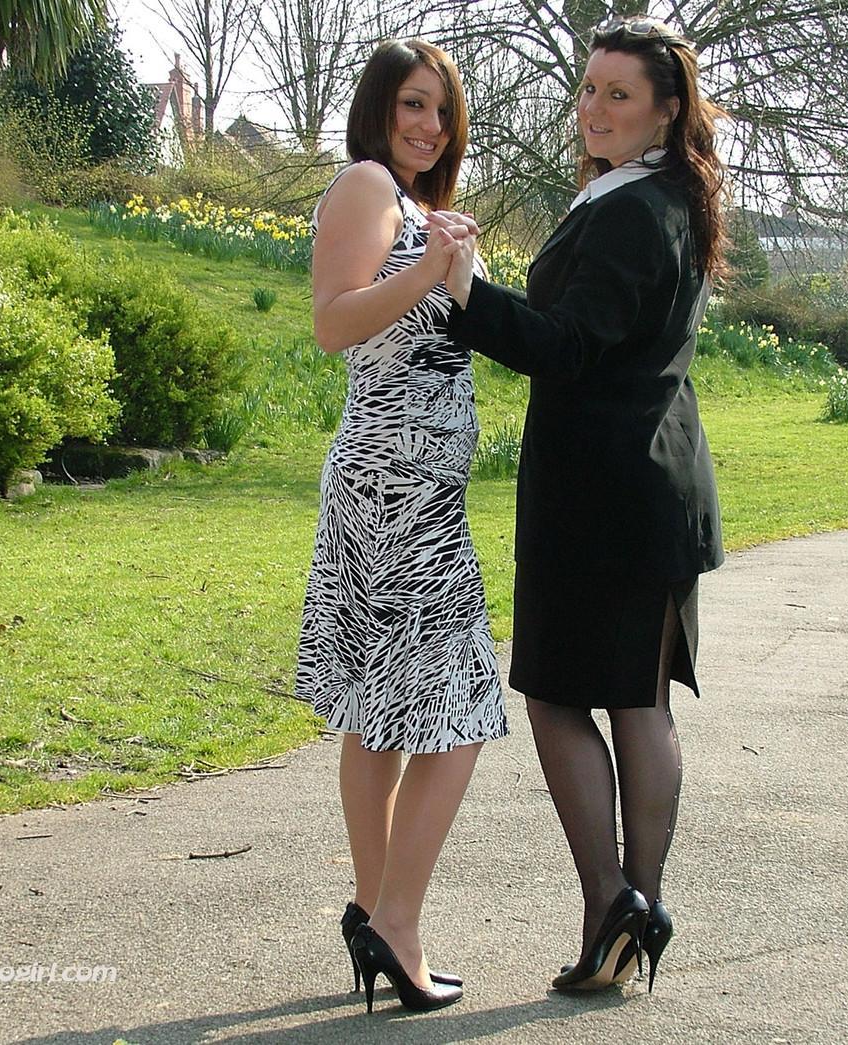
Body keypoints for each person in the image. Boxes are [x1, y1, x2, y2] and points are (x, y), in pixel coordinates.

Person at [433, 16, 727, 994]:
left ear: (664, 110)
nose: (593, 109)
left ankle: (614, 903)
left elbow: (562, 346)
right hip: (649, 488)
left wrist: (463, 288)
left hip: (603, 492)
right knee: (632, 700)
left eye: (617, 95)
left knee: (561, 695)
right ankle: (625, 914)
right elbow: (593, 334)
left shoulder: (632, 210)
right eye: (588, 89)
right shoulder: (665, 201)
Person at [294, 38, 507, 1014]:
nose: (428, 126)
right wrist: (427, 269)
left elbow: (435, 326)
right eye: (413, 105)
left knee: (387, 708)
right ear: (379, 107)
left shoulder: (412, 207)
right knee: (457, 708)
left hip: (414, 493)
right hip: (394, 497)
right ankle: (395, 922)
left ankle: (377, 911)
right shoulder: (365, 184)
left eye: (441, 112)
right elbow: (335, 322)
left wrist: (451, 267)